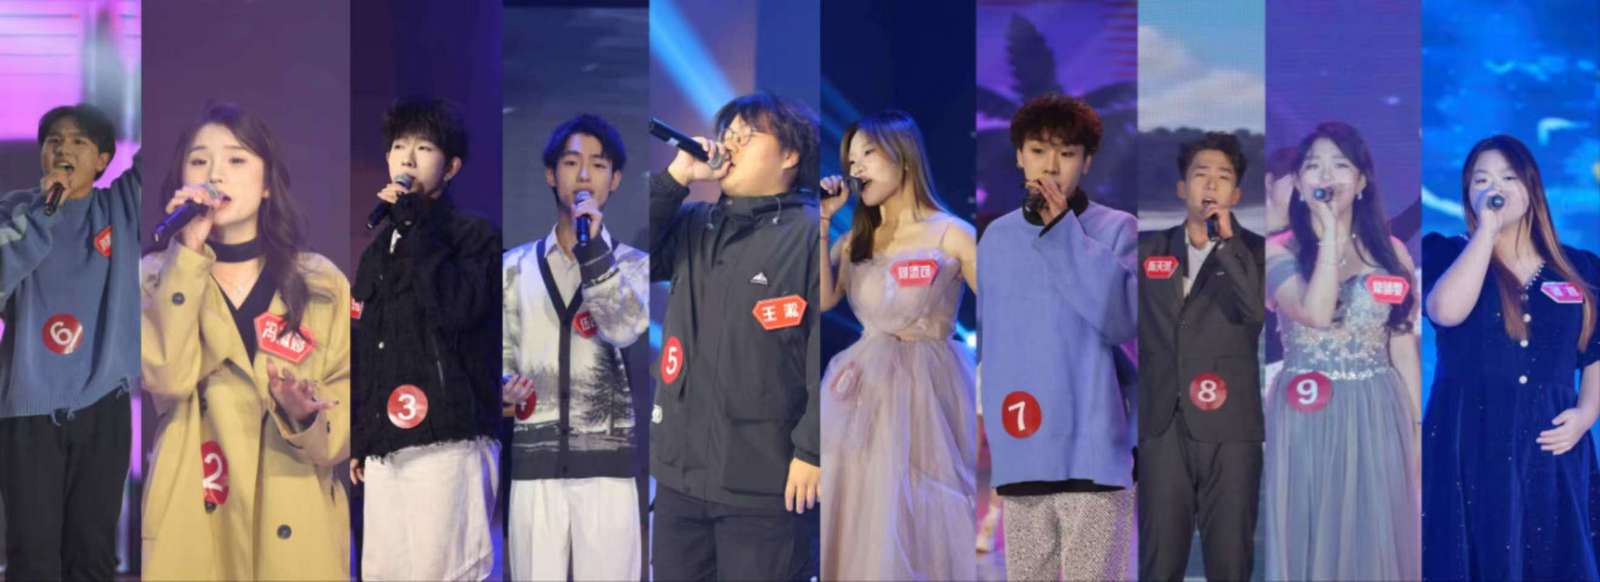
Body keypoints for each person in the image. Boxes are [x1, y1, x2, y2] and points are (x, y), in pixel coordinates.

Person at [138, 103, 349, 580]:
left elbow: (353, 397)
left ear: (268, 182)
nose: (215, 174)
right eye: (199, 161)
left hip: (295, 507)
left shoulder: (320, 281)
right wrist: (187, 253)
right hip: (196, 506)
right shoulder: (154, 277)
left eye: (236, 159)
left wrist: (305, 415)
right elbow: (167, 379)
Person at [649, 92, 820, 580]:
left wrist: (813, 451)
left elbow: (826, 353)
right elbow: (628, 256)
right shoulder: (694, 224)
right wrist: (677, 177)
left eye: (747, 136)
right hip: (681, 477)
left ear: (790, 155)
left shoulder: (813, 233)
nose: (729, 145)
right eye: (728, 135)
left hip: (766, 484)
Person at [1422, 134, 1600, 580]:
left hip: (1550, 437)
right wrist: (1486, 231)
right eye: (1481, 180)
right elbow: (1445, 311)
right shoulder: (1445, 251)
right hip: (1468, 434)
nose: (1494, 188)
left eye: (1507, 177)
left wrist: (1586, 414)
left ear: (1531, 187)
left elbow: (1595, 351)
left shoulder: (1580, 267)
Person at [978, 94, 1139, 580]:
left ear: (1086, 162)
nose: (1051, 166)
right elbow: (996, 347)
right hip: (1025, 446)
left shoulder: (1118, 229)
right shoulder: (997, 237)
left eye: (1067, 154)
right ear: (1019, 156)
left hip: (1094, 448)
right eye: (1038, 151)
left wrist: (1062, 230)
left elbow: (1119, 319)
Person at [818, 110, 977, 580]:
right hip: (860, 396)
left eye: (868, 153)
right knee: (863, 513)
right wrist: (823, 222)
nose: (857, 167)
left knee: (923, 516)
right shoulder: (855, 240)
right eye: (851, 159)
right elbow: (823, 300)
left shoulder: (951, 233)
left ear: (904, 157)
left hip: (929, 391)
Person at [350, 97, 502, 581]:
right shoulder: (378, 251)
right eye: (399, 147)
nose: (408, 159)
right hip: (386, 446)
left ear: (451, 167)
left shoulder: (473, 236)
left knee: (445, 571)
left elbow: (456, 309)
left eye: (424, 148)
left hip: (448, 441)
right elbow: (366, 347)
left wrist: (415, 224)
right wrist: (362, 435)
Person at [1260, 122, 1420, 580]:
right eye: (1314, 166)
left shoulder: (1391, 253)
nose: (1326, 175)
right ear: (1298, 183)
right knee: (1312, 534)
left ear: (1362, 181)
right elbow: (1315, 311)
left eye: (1340, 165)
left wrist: (1414, 430)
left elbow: (1401, 343)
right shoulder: (1276, 253)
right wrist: (1329, 233)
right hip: (1306, 410)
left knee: (1374, 535)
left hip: (1377, 406)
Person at [502, 113, 648, 580]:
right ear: (551, 174)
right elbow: (502, 353)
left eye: (598, 165)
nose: (584, 175)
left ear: (615, 179)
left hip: (609, 469)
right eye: (570, 163)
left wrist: (594, 252)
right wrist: (502, 387)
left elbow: (624, 328)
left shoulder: (634, 266)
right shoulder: (513, 267)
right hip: (535, 466)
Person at [0, 104, 138, 580]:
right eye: (54, 141)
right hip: (28, 410)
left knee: (91, 554)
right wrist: (43, 213)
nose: (64, 149)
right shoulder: (13, 211)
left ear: (103, 160)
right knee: (31, 557)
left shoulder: (120, 208)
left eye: (79, 141)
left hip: (104, 405)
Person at [1137, 131, 1265, 581]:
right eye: (1200, 175)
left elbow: (1254, 312)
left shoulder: (1256, 252)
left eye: (1223, 177)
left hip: (1231, 429)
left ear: (1236, 194)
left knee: (1230, 560)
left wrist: (1227, 245)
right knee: (1159, 560)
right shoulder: (1146, 249)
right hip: (1162, 425)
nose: (1210, 185)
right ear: (1181, 187)